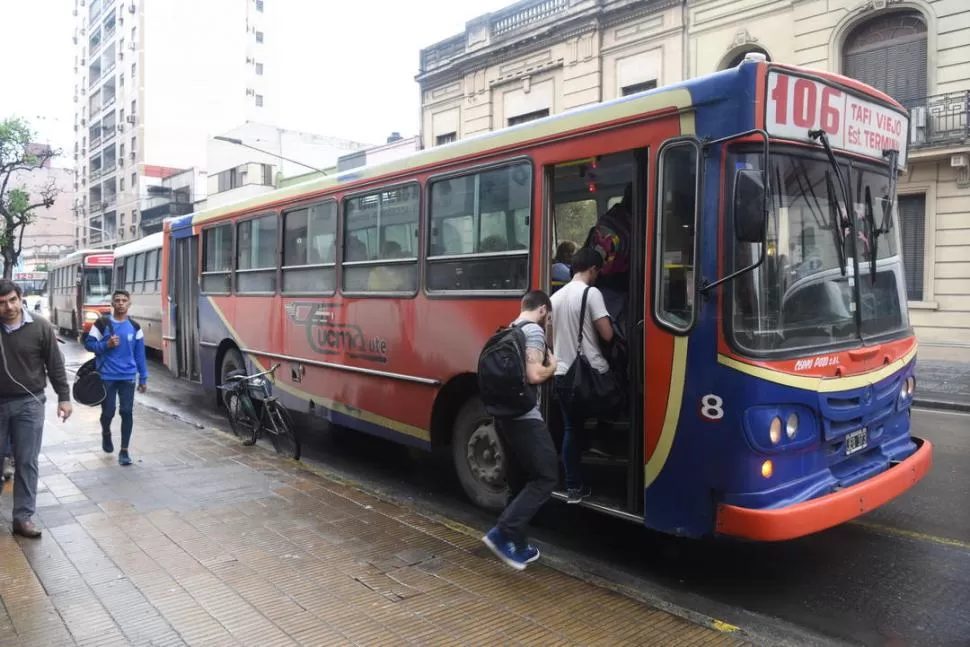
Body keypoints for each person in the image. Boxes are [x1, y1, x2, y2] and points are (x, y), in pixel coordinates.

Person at [482, 290, 557, 571]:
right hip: (526, 417)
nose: (546, 322)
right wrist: (553, 365)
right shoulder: (534, 333)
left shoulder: (508, 330)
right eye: (547, 318)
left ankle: (519, 545)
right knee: (547, 476)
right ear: (542, 311)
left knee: (520, 480)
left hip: (504, 417)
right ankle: (502, 533)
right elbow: (535, 374)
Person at [0, 279, 72, 538]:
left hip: (29, 403)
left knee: (26, 461)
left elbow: (55, 365)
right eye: (2, 303)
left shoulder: (40, 326)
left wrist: (64, 397)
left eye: (12, 300)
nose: (8, 307)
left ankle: (23, 518)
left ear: (20, 298)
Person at [550, 248, 615, 503]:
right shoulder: (592, 293)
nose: (597, 276)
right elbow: (607, 334)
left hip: (563, 374)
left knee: (571, 429)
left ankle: (574, 487)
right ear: (592, 269)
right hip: (590, 373)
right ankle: (602, 440)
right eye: (598, 271)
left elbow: (549, 339)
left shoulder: (555, 297)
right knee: (617, 400)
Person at [84, 290, 148, 466]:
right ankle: (106, 432)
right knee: (108, 412)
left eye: (124, 300)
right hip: (107, 376)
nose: (121, 303)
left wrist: (143, 378)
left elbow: (140, 355)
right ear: (112, 303)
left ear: (129, 304)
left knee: (126, 412)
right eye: (117, 300)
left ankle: (124, 450)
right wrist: (106, 344)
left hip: (128, 377)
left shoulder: (135, 327)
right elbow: (88, 344)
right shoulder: (102, 324)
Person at [584, 184, 632, 336]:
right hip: (610, 287)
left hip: (617, 286)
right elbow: (600, 259)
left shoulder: (620, 219)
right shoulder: (613, 224)